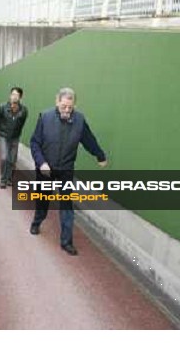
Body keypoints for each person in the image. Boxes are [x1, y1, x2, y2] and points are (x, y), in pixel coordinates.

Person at [29, 87, 108, 255]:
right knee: (43, 199)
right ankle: (37, 221)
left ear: (74, 105)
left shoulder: (79, 120)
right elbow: (35, 143)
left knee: (66, 206)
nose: (66, 110)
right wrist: (41, 162)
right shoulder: (45, 117)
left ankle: (66, 242)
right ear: (57, 101)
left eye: (70, 107)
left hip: (65, 169)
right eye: (63, 106)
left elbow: (89, 140)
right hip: (45, 169)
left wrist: (100, 155)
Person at [0, 87, 29, 189]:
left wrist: (17, 134)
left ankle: (9, 178)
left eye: (16, 95)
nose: (14, 97)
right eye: (12, 94)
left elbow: (21, 124)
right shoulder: (2, 107)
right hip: (4, 136)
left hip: (15, 138)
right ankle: (3, 180)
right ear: (10, 95)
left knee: (12, 160)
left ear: (20, 97)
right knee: (4, 157)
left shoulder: (24, 110)